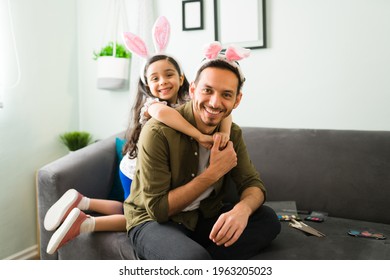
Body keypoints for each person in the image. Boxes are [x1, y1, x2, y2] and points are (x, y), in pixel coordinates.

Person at [43, 52, 232, 255]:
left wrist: (224, 136)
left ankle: (83, 201)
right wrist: (199, 135)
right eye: (155, 78)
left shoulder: (192, 100)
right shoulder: (153, 105)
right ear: (147, 85)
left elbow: (226, 114)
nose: (163, 82)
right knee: (137, 213)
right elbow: (165, 115)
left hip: (134, 166)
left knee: (129, 205)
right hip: (136, 170)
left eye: (169, 75)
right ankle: (87, 223)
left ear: (182, 78)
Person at [123, 42, 281, 260]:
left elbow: (252, 184)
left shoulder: (231, 132)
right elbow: (158, 209)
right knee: (193, 260)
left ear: (237, 100)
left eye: (226, 95)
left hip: (203, 216)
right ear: (193, 89)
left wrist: (242, 210)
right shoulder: (157, 131)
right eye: (208, 90)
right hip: (154, 221)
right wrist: (213, 173)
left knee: (268, 220)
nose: (215, 103)